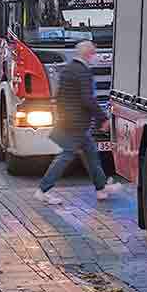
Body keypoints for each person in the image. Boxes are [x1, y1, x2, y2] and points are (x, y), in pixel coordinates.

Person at [38, 40, 110, 206]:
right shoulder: (83, 71)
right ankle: (43, 189)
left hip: (70, 120)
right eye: (93, 53)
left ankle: (101, 188)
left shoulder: (68, 69)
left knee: (91, 155)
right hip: (77, 123)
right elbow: (88, 99)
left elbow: (59, 96)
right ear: (88, 54)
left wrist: (61, 116)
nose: (95, 56)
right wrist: (103, 118)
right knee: (66, 156)